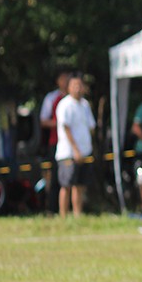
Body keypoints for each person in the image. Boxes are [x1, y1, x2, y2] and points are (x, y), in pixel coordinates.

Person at [55, 73, 96, 218]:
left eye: (80, 85)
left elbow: (91, 127)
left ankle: (77, 215)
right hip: (68, 153)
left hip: (84, 152)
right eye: (75, 86)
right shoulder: (65, 105)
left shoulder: (85, 105)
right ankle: (63, 216)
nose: (78, 88)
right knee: (66, 185)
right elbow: (66, 128)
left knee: (80, 186)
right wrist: (76, 150)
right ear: (69, 87)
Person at [38, 68, 70, 212]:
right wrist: (60, 124)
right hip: (56, 142)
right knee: (56, 177)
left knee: (70, 179)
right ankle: (52, 209)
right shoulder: (52, 98)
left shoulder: (74, 99)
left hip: (71, 144)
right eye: (63, 78)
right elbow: (43, 121)